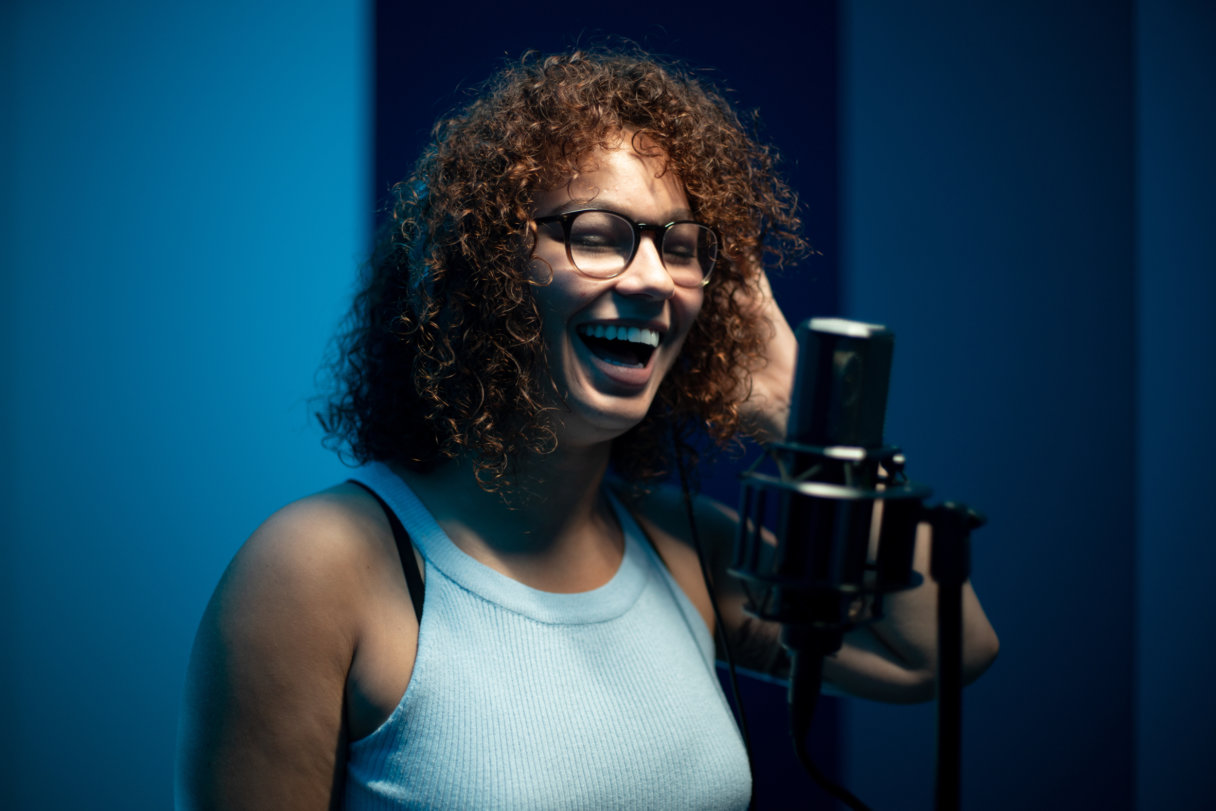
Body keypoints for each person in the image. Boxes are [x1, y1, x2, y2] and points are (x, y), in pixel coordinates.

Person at [175, 48, 998, 810]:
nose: (651, 279)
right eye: (597, 236)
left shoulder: (683, 548)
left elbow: (943, 648)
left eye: (681, 247)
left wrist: (800, 419)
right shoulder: (319, 569)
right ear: (488, 267)